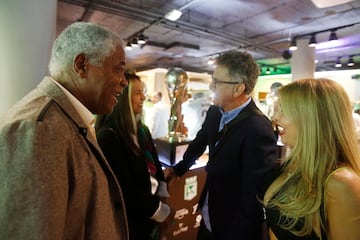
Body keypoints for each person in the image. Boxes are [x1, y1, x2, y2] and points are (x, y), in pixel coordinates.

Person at [0, 22, 129, 239]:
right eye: (118, 69)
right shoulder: (38, 129)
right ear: (82, 65)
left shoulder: (65, 119)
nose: (124, 81)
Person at [165, 50, 278, 239]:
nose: (211, 86)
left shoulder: (258, 128)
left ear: (238, 89)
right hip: (210, 214)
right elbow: (200, 141)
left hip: (232, 227)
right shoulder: (215, 112)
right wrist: (179, 169)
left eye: (217, 82)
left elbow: (254, 197)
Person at [260, 78, 360, 239]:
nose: (275, 118)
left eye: (283, 111)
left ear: (311, 118)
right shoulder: (292, 164)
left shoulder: (341, 183)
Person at [95, 70, 173, 240]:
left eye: (142, 92)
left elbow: (155, 166)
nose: (143, 98)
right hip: (131, 223)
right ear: (123, 98)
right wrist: (161, 211)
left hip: (150, 216)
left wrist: (162, 193)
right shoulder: (109, 136)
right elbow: (125, 190)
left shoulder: (142, 130)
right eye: (137, 93)